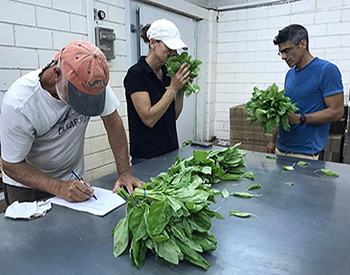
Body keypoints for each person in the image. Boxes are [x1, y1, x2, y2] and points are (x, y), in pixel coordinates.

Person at [0, 40, 144, 206]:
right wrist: (59, 187)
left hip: (71, 179)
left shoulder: (92, 81)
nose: (85, 103)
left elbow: (113, 122)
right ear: (57, 75)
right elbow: (11, 164)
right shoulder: (20, 103)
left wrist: (125, 172)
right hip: (27, 187)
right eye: (79, 97)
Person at [266, 24, 344, 160]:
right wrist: (273, 140)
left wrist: (300, 118)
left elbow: (337, 112)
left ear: (302, 44)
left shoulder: (326, 70)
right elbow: (284, 112)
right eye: (281, 52)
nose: (283, 57)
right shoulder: (290, 74)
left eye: (287, 51)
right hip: (281, 149)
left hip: (304, 154)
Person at [124, 18, 191, 165]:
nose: (174, 53)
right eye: (170, 47)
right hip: (146, 158)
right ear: (153, 43)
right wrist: (173, 88)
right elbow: (149, 119)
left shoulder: (167, 73)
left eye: (175, 48)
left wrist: (180, 90)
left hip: (171, 151)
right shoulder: (136, 74)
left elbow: (173, 116)